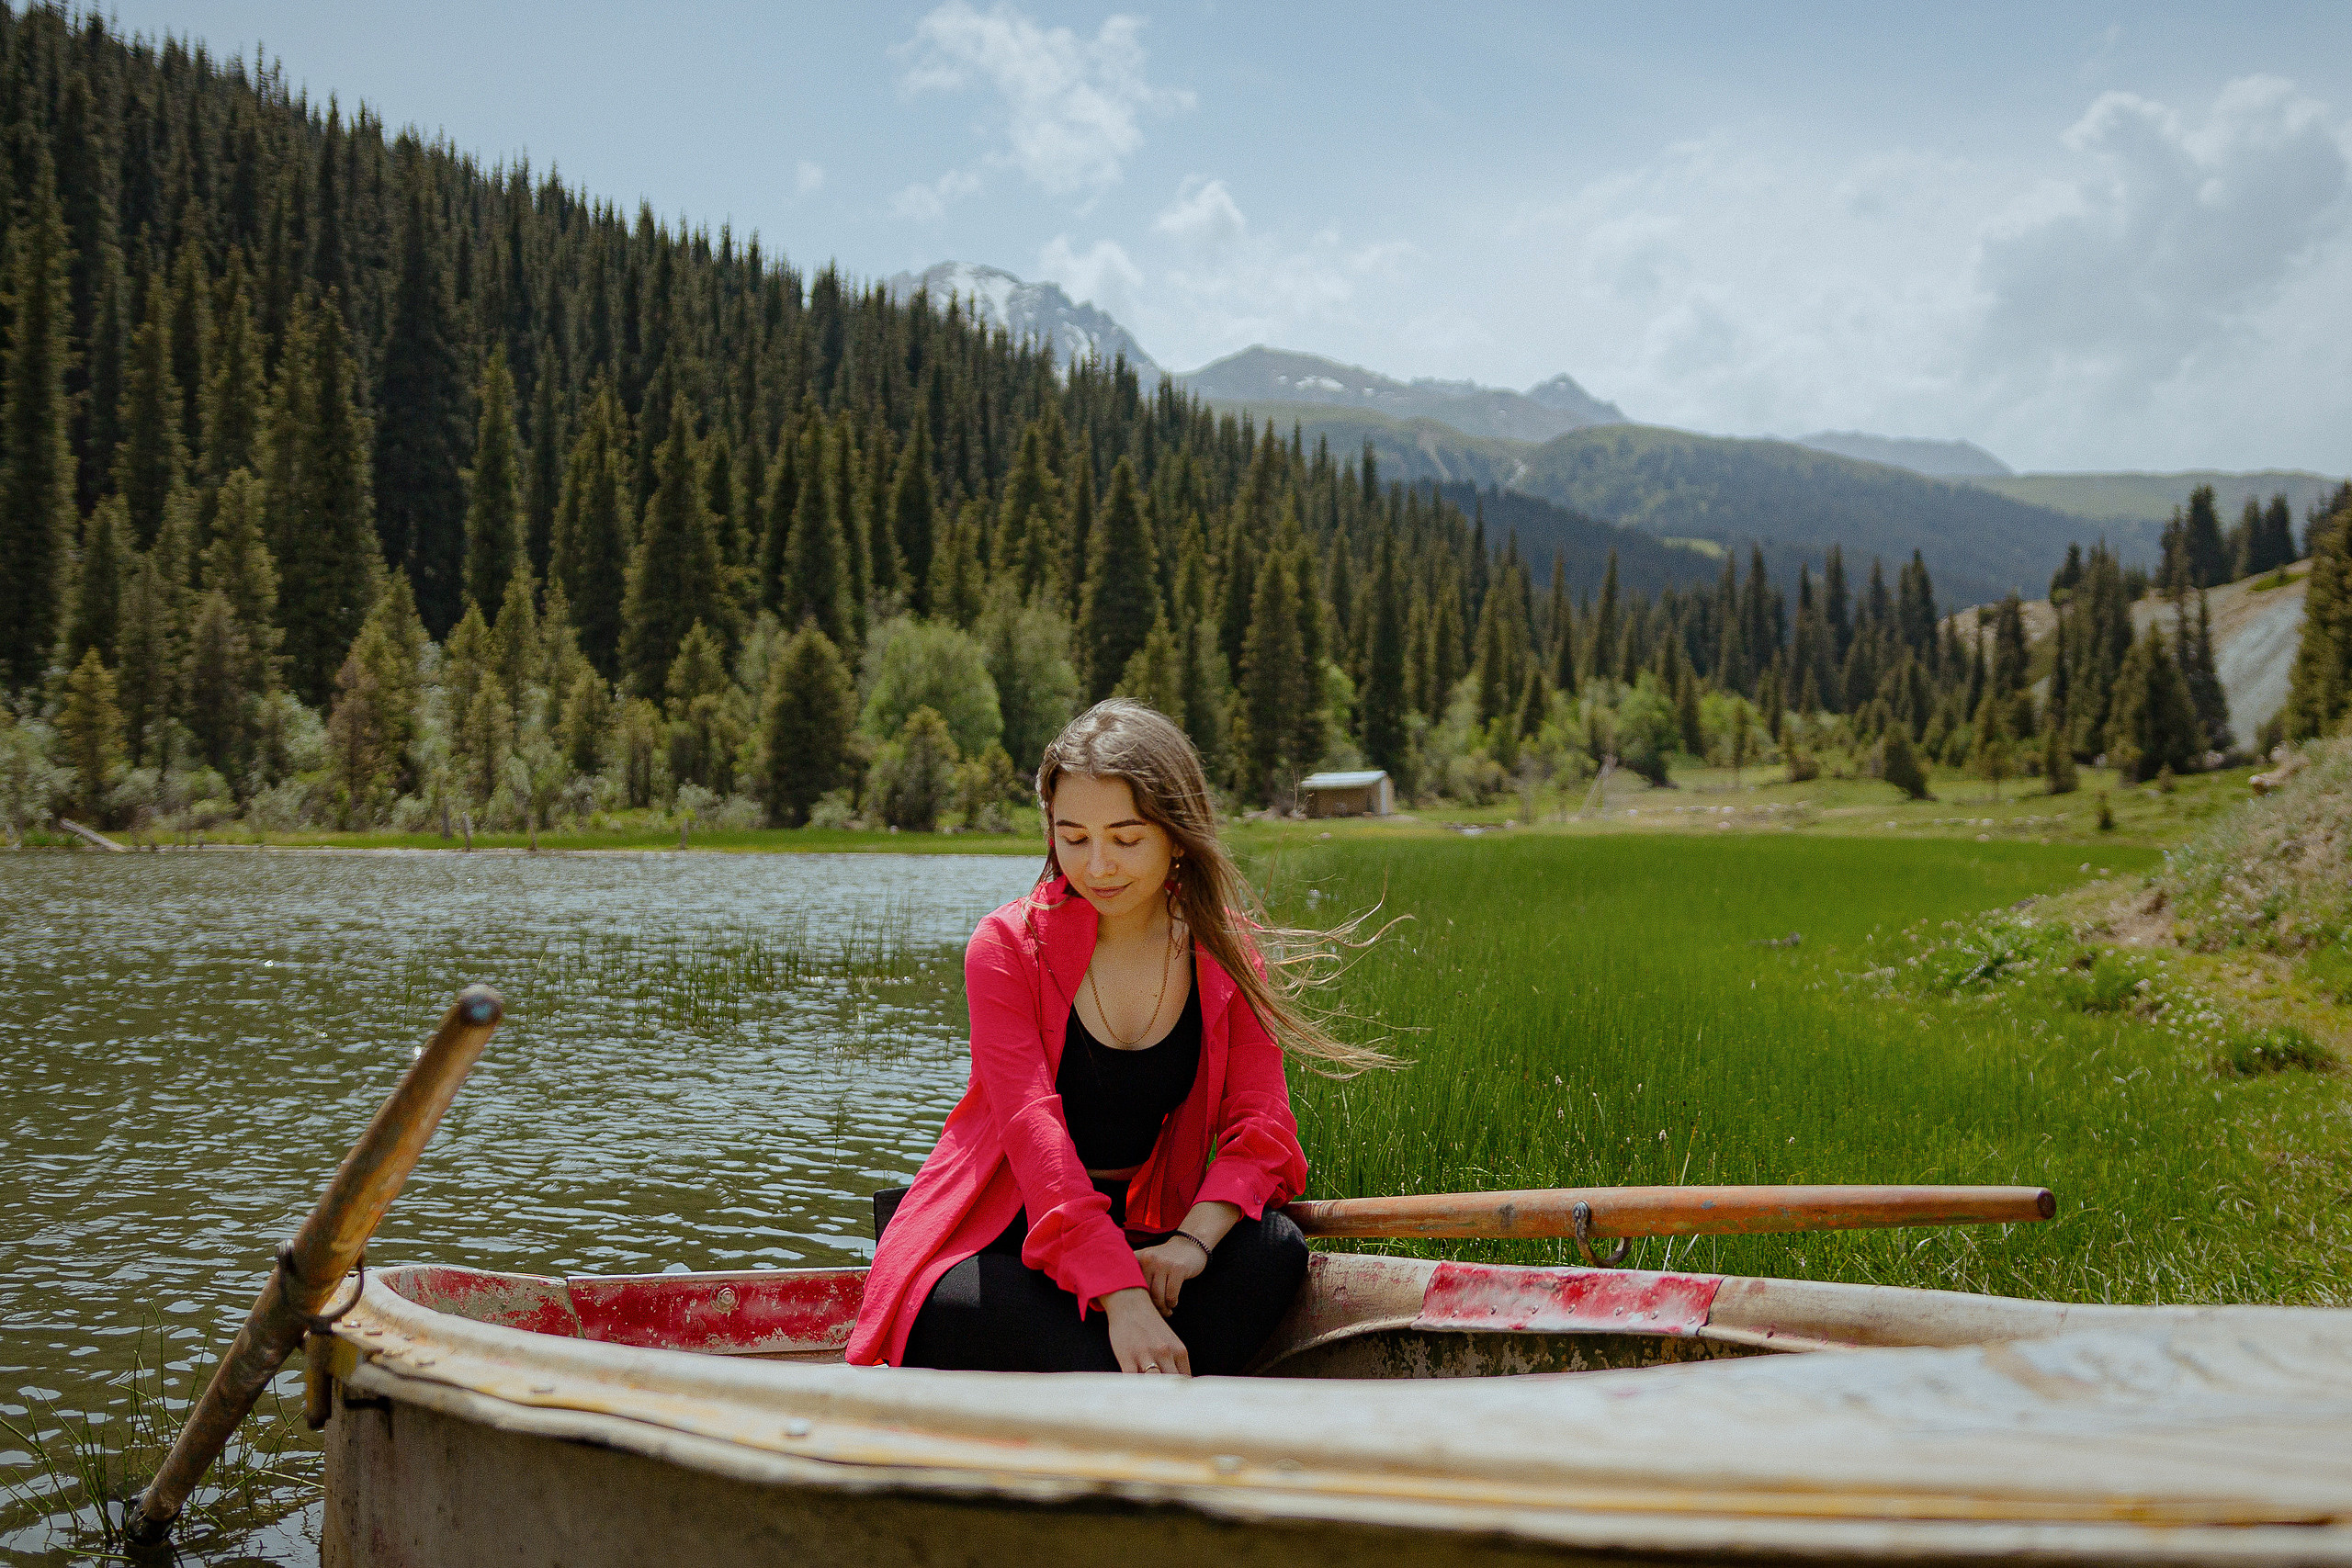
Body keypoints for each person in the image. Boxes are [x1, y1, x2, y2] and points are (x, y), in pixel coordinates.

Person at [846, 698, 1385, 1375]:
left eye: (1125, 838)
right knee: (1004, 1326)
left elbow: (1263, 1125)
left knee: (1273, 1248)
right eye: (1073, 837)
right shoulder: (1006, 947)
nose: (1097, 864)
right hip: (1003, 1244)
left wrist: (1192, 1240)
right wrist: (1122, 1296)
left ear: (1178, 833)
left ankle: (1137, 1376)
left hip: (1150, 1238)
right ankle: (1158, 1380)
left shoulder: (1225, 948)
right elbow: (1035, 1139)